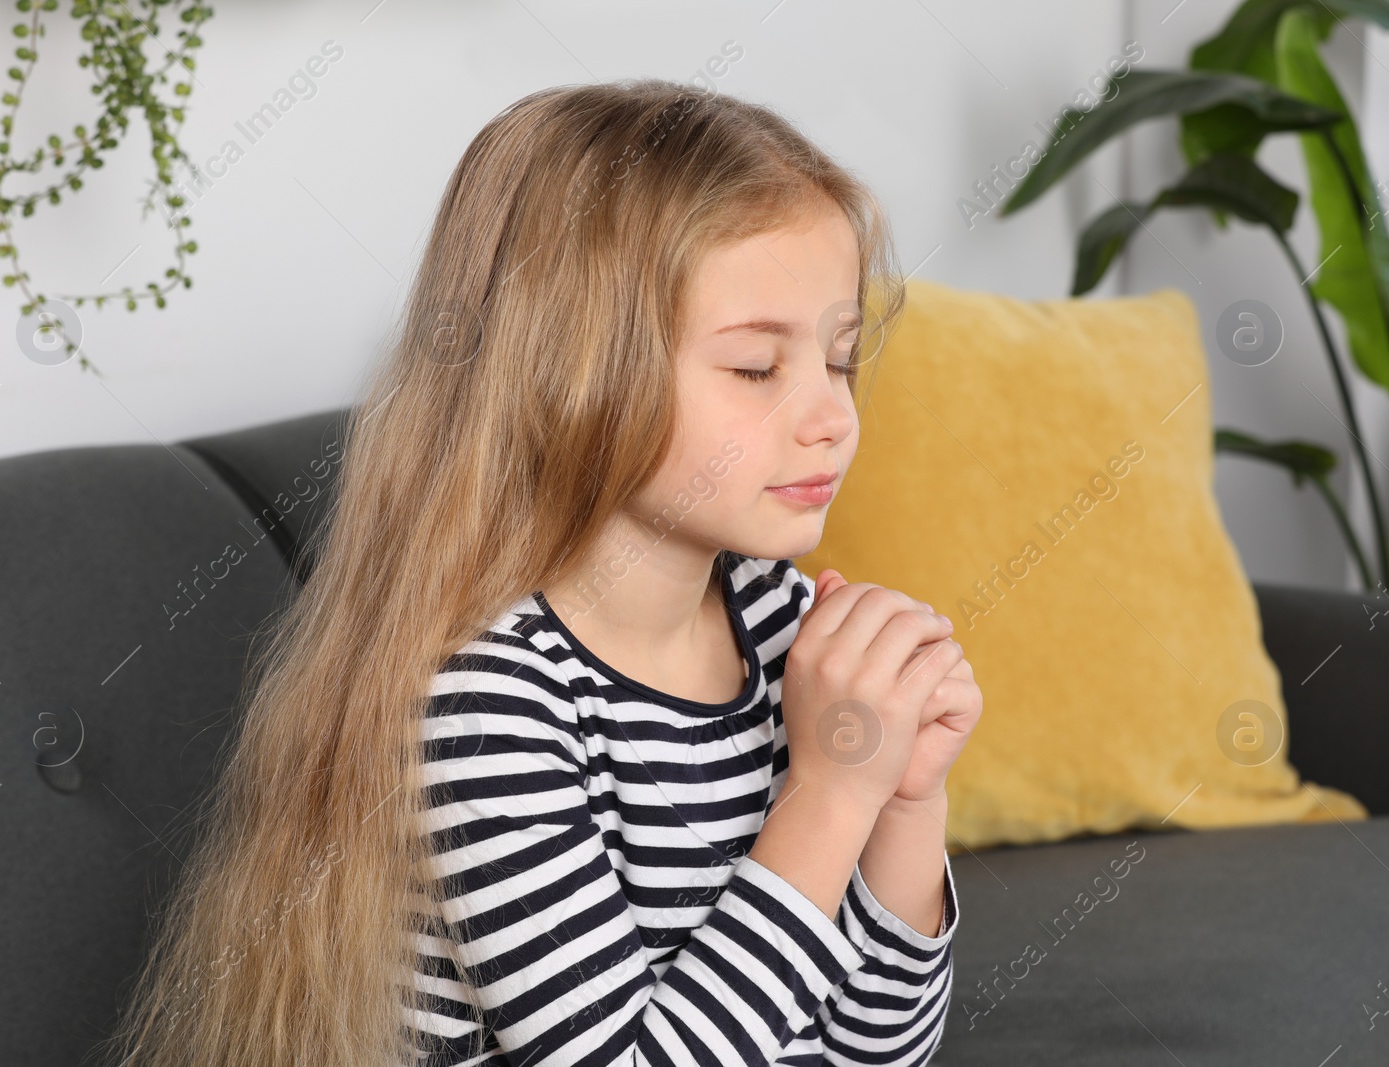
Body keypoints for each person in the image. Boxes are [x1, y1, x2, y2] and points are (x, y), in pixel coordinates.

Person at [100, 78, 982, 1067]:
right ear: (568, 377)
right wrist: (827, 796)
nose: (832, 414)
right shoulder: (490, 705)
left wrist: (904, 797)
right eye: (755, 368)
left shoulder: (777, 621)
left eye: (840, 356)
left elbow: (878, 1050)